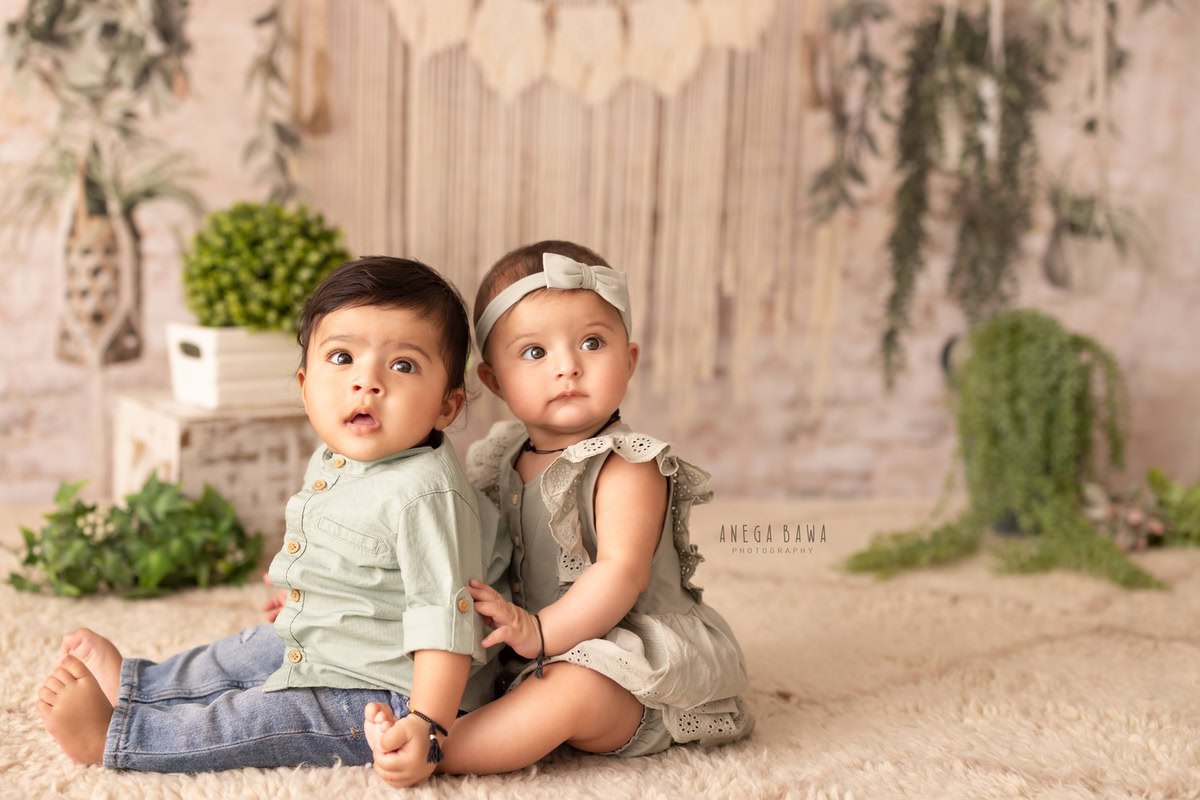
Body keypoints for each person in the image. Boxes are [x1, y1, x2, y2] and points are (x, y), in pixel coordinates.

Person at [36, 256, 511, 789]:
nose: (367, 382)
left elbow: (444, 624)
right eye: (342, 357)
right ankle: (136, 686)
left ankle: (122, 737)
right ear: (306, 386)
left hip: (392, 689)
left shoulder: (427, 494)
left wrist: (426, 725)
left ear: (447, 406)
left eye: (402, 365)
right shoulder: (338, 458)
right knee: (235, 655)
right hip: (328, 641)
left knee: (257, 718)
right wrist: (309, 593)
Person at [365, 240, 753, 784]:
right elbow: (449, 544)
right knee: (438, 651)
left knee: (572, 689)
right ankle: (435, 719)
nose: (568, 367)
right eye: (534, 353)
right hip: (526, 649)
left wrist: (541, 632)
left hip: (627, 669)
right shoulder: (498, 458)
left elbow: (620, 572)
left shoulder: (627, 465)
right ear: (494, 382)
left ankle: (434, 748)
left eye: (592, 343)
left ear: (629, 360)